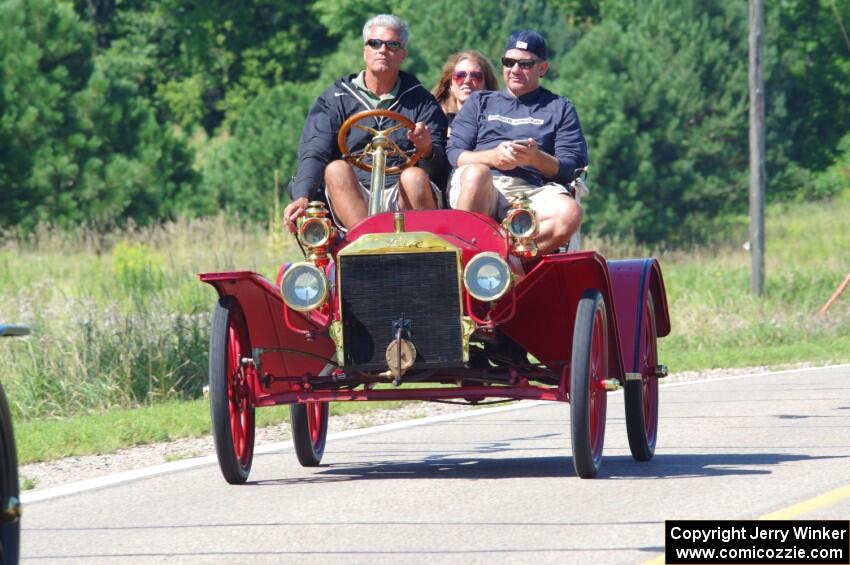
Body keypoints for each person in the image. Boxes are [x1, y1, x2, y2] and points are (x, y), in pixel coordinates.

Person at [284, 14, 448, 232]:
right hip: (353, 193)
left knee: (414, 176)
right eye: (375, 43)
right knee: (335, 169)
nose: (382, 50)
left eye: (392, 45)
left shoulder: (422, 101)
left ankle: (420, 250)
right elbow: (314, 150)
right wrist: (302, 196)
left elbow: (441, 168)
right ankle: (366, 245)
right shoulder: (335, 98)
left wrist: (427, 148)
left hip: (404, 196)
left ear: (402, 54)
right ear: (365, 50)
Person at [446, 30, 588, 255]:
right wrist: (492, 157)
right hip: (485, 186)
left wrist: (536, 158)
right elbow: (455, 153)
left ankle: (509, 257)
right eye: (509, 62)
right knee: (476, 173)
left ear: (542, 69)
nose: (514, 70)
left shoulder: (560, 107)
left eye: (525, 64)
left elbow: (573, 168)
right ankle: (465, 256)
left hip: (533, 191)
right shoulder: (480, 101)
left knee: (571, 214)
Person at [431, 50, 499, 132]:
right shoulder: (435, 122)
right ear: (451, 85)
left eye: (476, 76)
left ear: (487, 85)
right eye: (460, 75)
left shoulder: (498, 123)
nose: (467, 80)